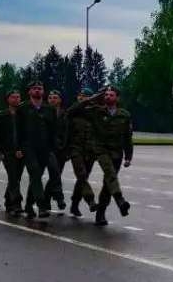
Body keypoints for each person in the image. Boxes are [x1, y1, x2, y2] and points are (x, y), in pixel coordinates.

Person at [92, 86, 133, 226]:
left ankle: (100, 213)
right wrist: (96, 96)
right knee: (110, 175)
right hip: (101, 150)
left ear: (117, 98)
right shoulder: (96, 111)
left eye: (111, 94)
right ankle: (120, 201)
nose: (108, 96)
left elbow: (127, 138)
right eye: (106, 94)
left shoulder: (124, 115)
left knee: (108, 184)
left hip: (117, 153)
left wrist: (128, 157)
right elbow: (76, 109)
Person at [19, 81, 58, 219]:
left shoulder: (49, 109)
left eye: (39, 88)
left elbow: (53, 130)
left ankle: (29, 205)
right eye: (34, 89)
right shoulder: (22, 108)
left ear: (43, 91)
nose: (37, 91)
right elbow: (17, 130)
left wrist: (53, 148)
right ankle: (41, 206)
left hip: (45, 148)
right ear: (29, 91)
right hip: (28, 147)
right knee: (35, 173)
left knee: (38, 176)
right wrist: (18, 148)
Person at [65, 88, 99, 217]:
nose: (81, 97)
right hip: (75, 149)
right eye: (80, 95)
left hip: (90, 151)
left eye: (84, 96)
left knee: (82, 179)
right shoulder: (74, 111)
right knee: (81, 174)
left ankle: (74, 204)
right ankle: (90, 200)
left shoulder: (94, 112)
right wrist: (86, 101)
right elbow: (71, 111)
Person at [0, 91, 24, 215]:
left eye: (18, 97)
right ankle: (16, 203)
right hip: (7, 151)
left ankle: (8, 202)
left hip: (21, 151)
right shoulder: (2, 115)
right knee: (13, 177)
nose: (16, 99)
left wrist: (22, 149)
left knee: (16, 178)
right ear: (8, 99)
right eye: (13, 97)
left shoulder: (23, 114)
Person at [44, 90, 68, 211]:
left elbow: (67, 132)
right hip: (48, 149)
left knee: (56, 175)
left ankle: (46, 199)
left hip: (61, 149)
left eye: (55, 97)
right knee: (54, 173)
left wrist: (66, 148)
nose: (52, 99)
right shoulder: (43, 112)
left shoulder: (65, 113)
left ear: (60, 100)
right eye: (50, 97)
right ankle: (59, 198)